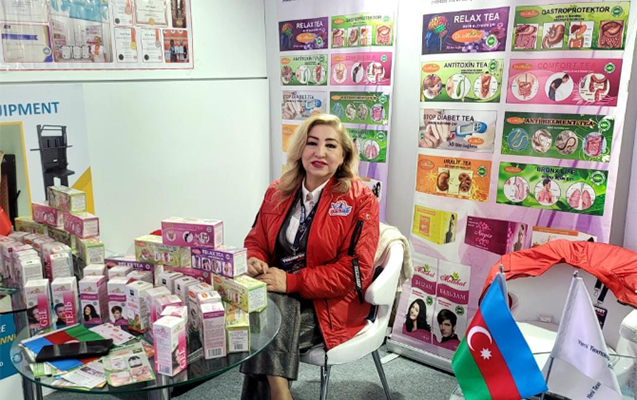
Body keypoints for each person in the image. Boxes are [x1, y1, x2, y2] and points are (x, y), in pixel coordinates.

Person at [240, 114, 379, 400]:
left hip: (329, 306)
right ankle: (280, 392)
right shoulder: (277, 191)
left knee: (260, 325)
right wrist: (255, 259)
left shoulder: (360, 199)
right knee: (265, 312)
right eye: (312, 143)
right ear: (300, 149)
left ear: (343, 156)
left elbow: (354, 272)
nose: (320, 152)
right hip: (274, 292)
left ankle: (280, 393)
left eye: (330, 145)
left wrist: (292, 282)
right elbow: (256, 239)